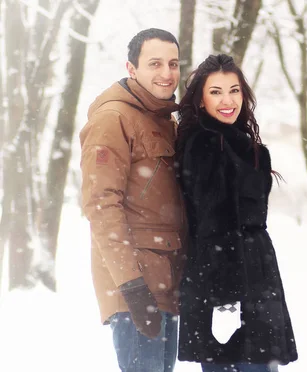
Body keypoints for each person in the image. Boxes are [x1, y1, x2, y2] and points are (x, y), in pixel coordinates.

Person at [175, 54, 298, 372]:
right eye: (215, 91)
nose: (227, 100)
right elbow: (213, 224)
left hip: (256, 274)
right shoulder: (205, 144)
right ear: (201, 100)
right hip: (223, 280)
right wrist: (226, 303)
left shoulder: (248, 146)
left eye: (234, 90)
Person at [79, 28, 185, 372]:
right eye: (155, 63)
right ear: (131, 68)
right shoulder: (113, 119)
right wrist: (132, 286)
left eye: (173, 64)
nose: (166, 73)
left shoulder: (164, 119)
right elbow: (101, 205)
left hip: (165, 281)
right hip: (137, 287)